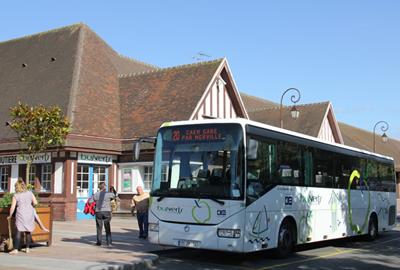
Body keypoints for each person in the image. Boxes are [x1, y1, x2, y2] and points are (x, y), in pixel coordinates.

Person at [7, 179, 37, 254]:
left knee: (18, 231)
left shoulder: (16, 195)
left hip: (21, 214)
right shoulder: (30, 193)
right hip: (29, 214)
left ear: (17, 187)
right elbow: (35, 203)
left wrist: (10, 215)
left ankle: (16, 249)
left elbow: (13, 207)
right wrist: (30, 207)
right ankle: (27, 248)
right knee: (28, 231)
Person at [90, 182, 115, 246]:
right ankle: (109, 243)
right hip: (107, 211)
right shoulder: (108, 194)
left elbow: (90, 202)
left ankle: (99, 242)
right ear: (104, 187)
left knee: (99, 227)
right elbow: (115, 195)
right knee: (107, 227)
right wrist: (112, 188)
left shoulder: (96, 194)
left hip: (98, 212)